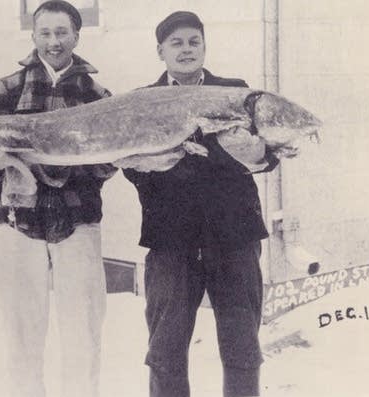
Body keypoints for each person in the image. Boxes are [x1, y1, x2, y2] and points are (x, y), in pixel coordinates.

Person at [123, 11, 278, 397]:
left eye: (194, 41)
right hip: (171, 241)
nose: (186, 49)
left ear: (205, 47)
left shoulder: (236, 94)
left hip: (233, 237)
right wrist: (168, 165)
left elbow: (267, 154)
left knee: (242, 346)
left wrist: (233, 155)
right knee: (165, 349)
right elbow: (131, 164)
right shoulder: (141, 101)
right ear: (160, 51)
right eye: (176, 42)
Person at [0, 1, 115, 396]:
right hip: (16, 222)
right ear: (34, 36)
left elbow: (108, 166)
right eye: (45, 33)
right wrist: (9, 166)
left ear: (77, 34)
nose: (54, 42)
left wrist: (80, 166)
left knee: (83, 333)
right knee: (23, 336)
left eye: (62, 33)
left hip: (77, 222)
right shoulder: (5, 89)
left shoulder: (98, 95)